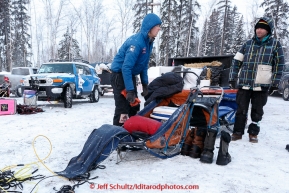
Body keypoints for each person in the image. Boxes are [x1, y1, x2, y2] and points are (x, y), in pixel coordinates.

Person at [229, 17, 285, 143]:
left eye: (262, 28)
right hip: (244, 83)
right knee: (240, 109)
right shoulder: (248, 44)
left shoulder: (275, 45)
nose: (259, 30)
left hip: (262, 84)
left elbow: (279, 65)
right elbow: (236, 61)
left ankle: (253, 133)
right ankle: (237, 132)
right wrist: (232, 77)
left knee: (257, 111)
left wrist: (275, 82)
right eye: (257, 28)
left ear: (268, 31)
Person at [110, 13, 162, 126]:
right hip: (119, 76)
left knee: (135, 106)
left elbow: (143, 64)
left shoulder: (148, 42)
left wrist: (145, 84)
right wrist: (130, 90)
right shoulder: (136, 43)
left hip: (129, 76)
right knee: (122, 109)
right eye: (157, 25)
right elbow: (126, 67)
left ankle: (132, 134)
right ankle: (117, 139)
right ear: (150, 26)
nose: (159, 28)